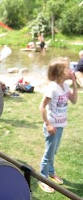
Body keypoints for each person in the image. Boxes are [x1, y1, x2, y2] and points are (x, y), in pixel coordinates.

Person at [38, 57, 77, 193]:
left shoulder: (65, 86)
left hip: (61, 125)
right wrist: (48, 124)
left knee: (53, 151)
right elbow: (42, 107)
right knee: (49, 153)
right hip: (52, 127)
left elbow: (74, 100)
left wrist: (74, 83)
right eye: (67, 68)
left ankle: (51, 172)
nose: (70, 70)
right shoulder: (52, 88)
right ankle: (42, 178)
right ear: (60, 72)